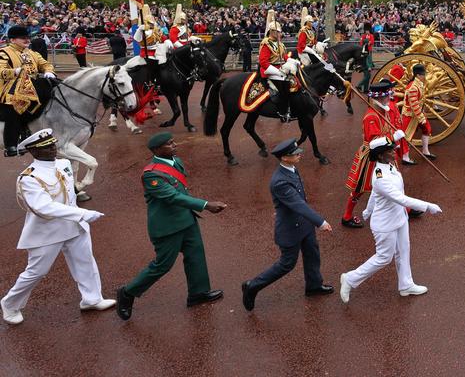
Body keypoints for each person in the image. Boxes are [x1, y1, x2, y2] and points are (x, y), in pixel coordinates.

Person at [1, 130, 115, 325]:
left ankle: (92, 298)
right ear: (34, 152)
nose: (53, 148)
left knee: (85, 261)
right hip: (47, 230)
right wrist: (82, 214)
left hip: (73, 226)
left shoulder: (63, 165)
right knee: (37, 271)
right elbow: (43, 207)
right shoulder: (29, 178)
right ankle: (10, 303)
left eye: (53, 144)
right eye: (47, 147)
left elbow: (69, 193)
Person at [116, 133, 228, 320]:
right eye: (169, 144)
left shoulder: (176, 161)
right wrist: (206, 205)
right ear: (156, 150)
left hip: (186, 220)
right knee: (163, 265)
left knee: (196, 255)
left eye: (173, 142)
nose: (174, 145)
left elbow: (181, 191)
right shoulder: (151, 175)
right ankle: (128, 292)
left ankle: (198, 293)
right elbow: (173, 197)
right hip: (167, 227)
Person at [339, 137, 442, 303]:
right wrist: (428, 206)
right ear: (380, 155)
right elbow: (401, 198)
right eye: (391, 150)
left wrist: (369, 209)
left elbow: (374, 193)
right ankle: (350, 279)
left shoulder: (389, 165)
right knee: (384, 257)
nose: (395, 151)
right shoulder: (381, 177)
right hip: (385, 224)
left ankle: (406, 285)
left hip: (399, 218)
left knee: (403, 251)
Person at [241, 139, 335, 311]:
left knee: (312, 254)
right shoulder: (280, 181)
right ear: (284, 158)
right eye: (295, 154)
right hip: (291, 229)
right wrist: (320, 222)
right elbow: (299, 204)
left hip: (304, 224)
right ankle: (252, 285)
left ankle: (314, 285)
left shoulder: (291, 169)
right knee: (287, 264)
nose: (299, 155)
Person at [342, 82, 410, 228]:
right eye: (386, 96)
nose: (389, 99)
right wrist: (394, 137)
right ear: (380, 98)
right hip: (372, 156)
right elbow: (374, 142)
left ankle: (407, 208)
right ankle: (347, 216)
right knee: (359, 189)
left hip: (385, 154)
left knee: (395, 182)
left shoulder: (382, 111)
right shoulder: (371, 116)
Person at [1, 24, 57, 157]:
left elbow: (46, 64)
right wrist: (15, 71)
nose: (27, 40)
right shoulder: (4, 53)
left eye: (27, 37)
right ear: (13, 40)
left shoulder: (32, 53)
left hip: (33, 86)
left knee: (53, 89)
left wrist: (49, 72)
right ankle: (11, 145)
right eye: (23, 38)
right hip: (10, 89)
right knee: (13, 109)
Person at [259, 9, 291, 122]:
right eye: (278, 32)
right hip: (269, 70)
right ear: (272, 32)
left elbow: (284, 57)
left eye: (280, 32)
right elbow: (263, 62)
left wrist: (292, 61)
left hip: (280, 68)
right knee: (283, 87)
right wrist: (278, 71)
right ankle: (282, 111)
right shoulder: (266, 43)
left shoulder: (280, 43)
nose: (280, 34)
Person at [402, 64, 436, 161]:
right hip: (410, 115)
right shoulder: (413, 87)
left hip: (418, 113)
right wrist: (421, 117)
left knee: (427, 129)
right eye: (422, 75)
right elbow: (414, 105)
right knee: (407, 136)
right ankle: (405, 158)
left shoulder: (418, 84)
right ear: (417, 75)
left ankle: (425, 151)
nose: (424, 76)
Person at [359, 23, 376, 92]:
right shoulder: (363, 36)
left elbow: (372, 41)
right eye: (366, 31)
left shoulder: (371, 35)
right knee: (367, 75)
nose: (367, 31)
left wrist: (369, 43)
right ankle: (361, 86)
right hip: (365, 51)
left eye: (367, 30)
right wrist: (365, 43)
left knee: (367, 76)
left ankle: (365, 89)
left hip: (369, 50)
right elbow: (361, 43)